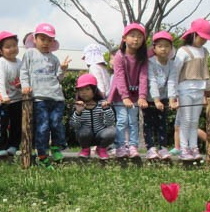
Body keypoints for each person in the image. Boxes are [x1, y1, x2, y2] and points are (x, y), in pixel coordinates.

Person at [20, 23, 71, 165]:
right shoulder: (30, 53)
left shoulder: (54, 59)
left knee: (56, 124)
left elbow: (58, 78)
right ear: (34, 39)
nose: (46, 43)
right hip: (39, 98)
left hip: (56, 98)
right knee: (42, 126)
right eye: (43, 39)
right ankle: (42, 155)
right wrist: (25, 86)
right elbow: (23, 72)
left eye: (50, 40)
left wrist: (63, 69)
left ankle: (56, 147)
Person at [107, 23, 149, 158]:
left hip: (135, 96)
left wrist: (142, 96)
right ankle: (120, 146)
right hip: (120, 95)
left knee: (133, 120)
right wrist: (125, 96)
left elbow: (143, 76)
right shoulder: (120, 56)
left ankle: (133, 146)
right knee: (122, 120)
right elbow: (119, 76)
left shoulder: (142, 57)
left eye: (139, 37)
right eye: (132, 36)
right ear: (124, 38)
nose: (136, 39)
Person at [175, 18, 210, 160]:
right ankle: (184, 148)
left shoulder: (204, 51)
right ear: (194, 35)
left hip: (199, 90)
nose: (204, 41)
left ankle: (194, 148)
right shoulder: (183, 51)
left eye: (205, 38)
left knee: (194, 121)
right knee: (186, 120)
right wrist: (174, 94)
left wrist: (208, 89)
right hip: (185, 90)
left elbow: (205, 71)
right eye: (202, 38)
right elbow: (176, 72)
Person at [0, 31, 23, 157]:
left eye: (14, 45)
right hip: (2, 99)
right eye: (8, 47)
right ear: (1, 50)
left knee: (17, 123)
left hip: (17, 98)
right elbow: (0, 80)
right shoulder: (1, 62)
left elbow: (23, 78)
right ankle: (0, 147)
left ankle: (13, 145)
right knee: (2, 123)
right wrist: (2, 96)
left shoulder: (19, 62)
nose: (12, 49)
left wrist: (22, 86)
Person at [145, 30, 178, 160]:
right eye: (160, 46)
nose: (163, 49)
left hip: (164, 98)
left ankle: (163, 148)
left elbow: (171, 82)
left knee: (162, 123)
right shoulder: (150, 62)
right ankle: (150, 148)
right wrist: (156, 100)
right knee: (148, 124)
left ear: (171, 48)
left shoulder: (172, 64)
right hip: (149, 99)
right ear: (154, 48)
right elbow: (151, 81)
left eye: (166, 46)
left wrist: (171, 100)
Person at [70, 73, 117, 161]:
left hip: (100, 134)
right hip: (85, 137)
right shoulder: (77, 106)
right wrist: (78, 112)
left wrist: (106, 109)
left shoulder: (102, 104)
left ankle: (101, 148)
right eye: (81, 90)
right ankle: (85, 149)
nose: (84, 92)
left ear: (94, 90)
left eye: (87, 89)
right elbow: (74, 125)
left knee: (112, 131)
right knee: (84, 131)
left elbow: (109, 123)